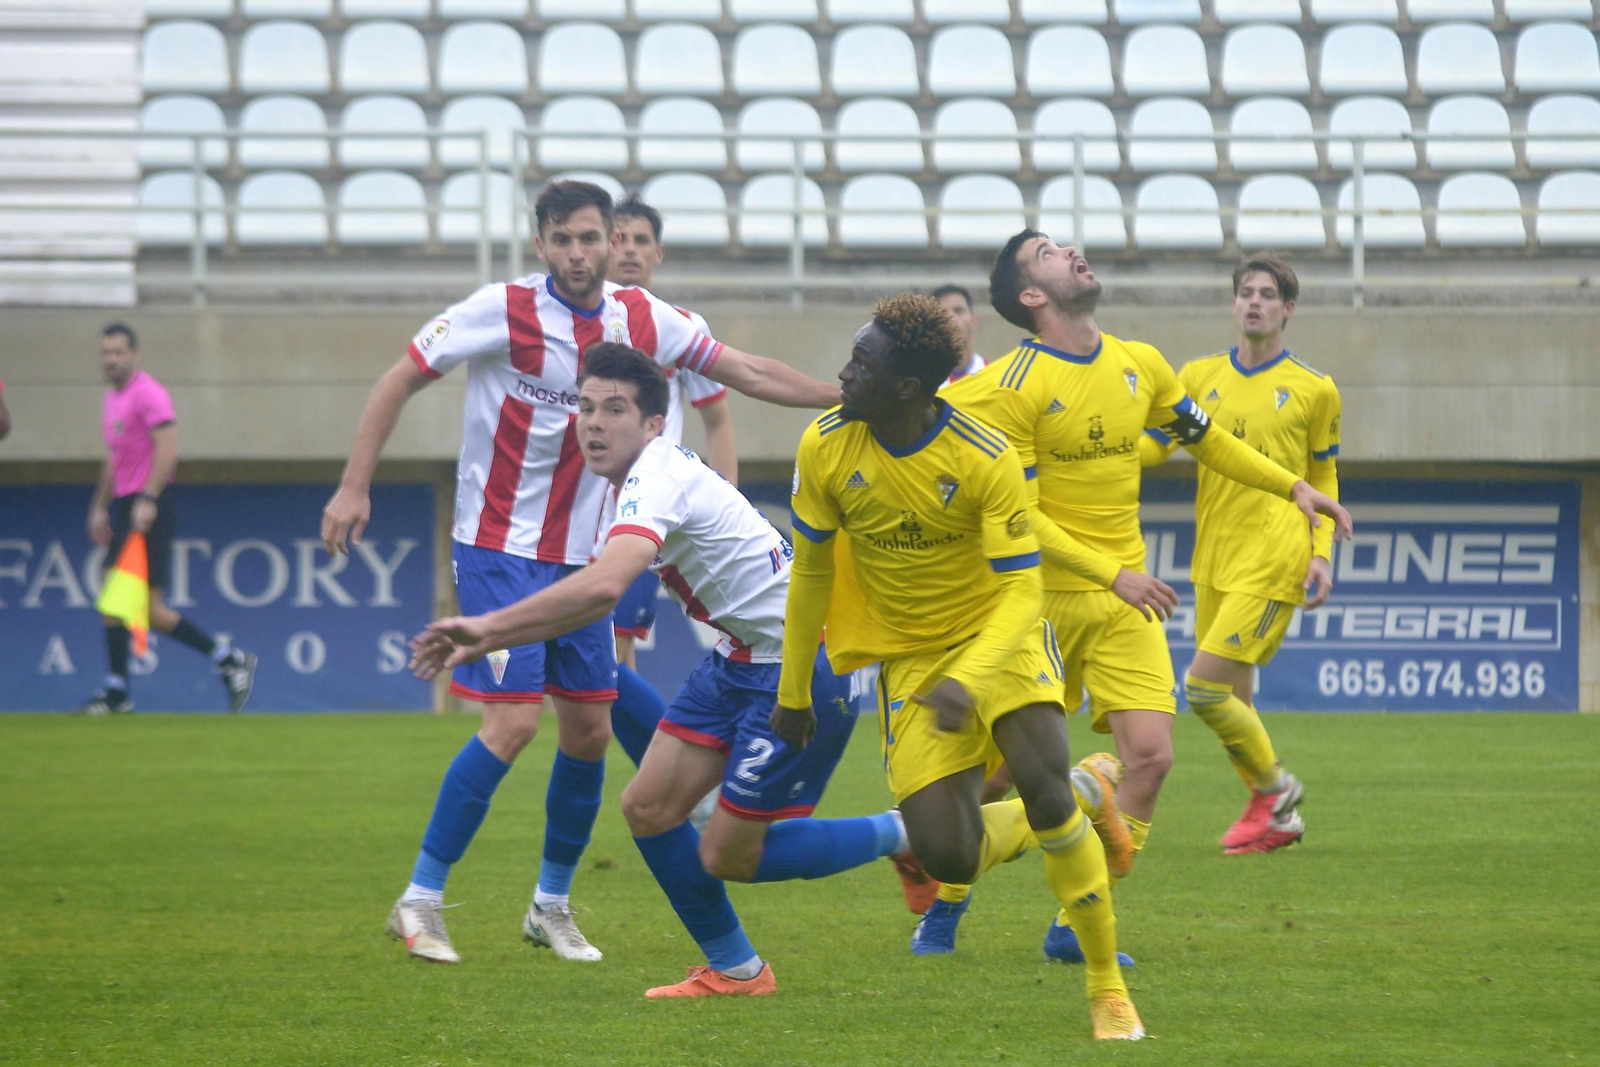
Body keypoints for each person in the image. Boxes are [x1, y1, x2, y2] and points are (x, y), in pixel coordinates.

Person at [321, 180, 839, 965]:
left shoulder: (640, 315)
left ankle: (550, 905)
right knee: (515, 722)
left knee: (592, 732)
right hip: (497, 544)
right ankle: (420, 898)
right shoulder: (501, 307)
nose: (576, 253)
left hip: (586, 555)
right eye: (561, 239)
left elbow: (747, 371)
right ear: (541, 244)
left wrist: (846, 396)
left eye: (589, 238)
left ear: (611, 240)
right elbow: (401, 375)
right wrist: (354, 484)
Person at [410, 344, 903, 998]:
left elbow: (604, 587)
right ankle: (736, 969)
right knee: (647, 806)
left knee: (731, 852)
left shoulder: (654, 477)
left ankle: (904, 832)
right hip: (738, 658)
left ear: (653, 425)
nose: (593, 422)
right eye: (585, 406)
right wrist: (494, 633)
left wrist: (488, 628)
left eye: (615, 409)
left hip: (804, 665)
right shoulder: (637, 477)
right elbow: (593, 596)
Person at [941, 232, 1351, 961]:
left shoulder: (1143, 363)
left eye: (1066, 242)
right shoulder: (1015, 383)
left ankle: (1074, 926)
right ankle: (943, 895)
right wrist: (1109, 573)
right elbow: (1022, 517)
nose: (1070, 250)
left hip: (1125, 599)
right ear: (1031, 295)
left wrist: (1292, 485)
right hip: (1038, 602)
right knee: (1001, 772)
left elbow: (1210, 439)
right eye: (1046, 251)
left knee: (1152, 758)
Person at [775, 293, 1145, 1040]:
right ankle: (1089, 786)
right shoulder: (823, 446)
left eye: (862, 364)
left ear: (908, 388)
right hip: (908, 661)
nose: (844, 374)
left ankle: (1106, 986)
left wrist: (970, 679)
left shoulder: (982, 454)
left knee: (1038, 787)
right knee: (952, 854)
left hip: (995, 638)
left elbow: (1021, 586)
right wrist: (793, 691)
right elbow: (811, 574)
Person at [1140, 253, 1339, 855]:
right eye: (1246, 292)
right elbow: (1155, 447)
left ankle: (1276, 791)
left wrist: (1321, 553)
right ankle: (1276, 819)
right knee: (1236, 701)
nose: (1255, 302)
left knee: (1202, 690)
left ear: (1287, 309)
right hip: (1215, 561)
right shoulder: (1198, 376)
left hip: (1275, 558)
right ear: (1233, 304)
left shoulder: (1315, 389)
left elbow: (1323, 478)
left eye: (1268, 294)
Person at [79, 323, 257, 715]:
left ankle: (120, 691)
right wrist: (99, 505)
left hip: (148, 508)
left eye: (118, 352)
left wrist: (149, 496)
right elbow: (115, 458)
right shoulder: (112, 399)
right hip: (127, 504)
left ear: (134, 355)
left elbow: (169, 449)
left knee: (131, 603)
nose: (111, 360)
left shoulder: (148, 394)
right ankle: (223, 659)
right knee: (129, 605)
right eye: (105, 353)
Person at [607, 194, 737, 676]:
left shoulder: (682, 327)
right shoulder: (574, 323)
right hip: (575, 510)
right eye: (620, 239)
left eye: (642, 240)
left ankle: (644, 750)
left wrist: (727, 507)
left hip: (646, 510)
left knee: (613, 648)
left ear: (658, 253)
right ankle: (643, 749)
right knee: (602, 656)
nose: (630, 251)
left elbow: (717, 418)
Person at [932, 284, 986, 383]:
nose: (950, 318)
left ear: (974, 321)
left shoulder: (992, 375)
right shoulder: (922, 382)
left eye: (958, 311)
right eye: (942, 313)